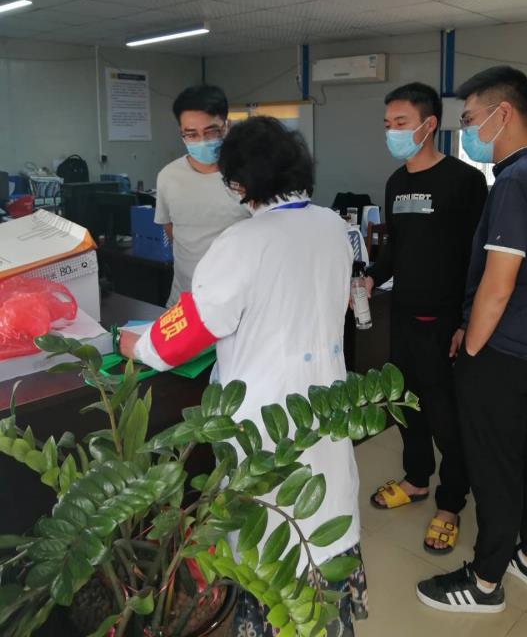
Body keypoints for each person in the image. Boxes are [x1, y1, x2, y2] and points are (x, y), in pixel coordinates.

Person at [120, 117, 369, 635]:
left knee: (273, 533)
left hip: (266, 421)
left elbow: (189, 331)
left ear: (238, 183)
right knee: (323, 517)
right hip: (325, 406)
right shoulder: (333, 226)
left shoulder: (243, 241)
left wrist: (137, 344)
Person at [417, 66, 527, 613]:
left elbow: (498, 284)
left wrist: (470, 350)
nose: (466, 132)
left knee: (494, 464)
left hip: (504, 350)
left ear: (502, 114)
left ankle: (485, 581)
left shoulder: (515, 182)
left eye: (469, 120)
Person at [366, 82, 488, 554]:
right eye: (387, 125)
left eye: (401, 123)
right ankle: (416, 479)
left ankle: (451, 502)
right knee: (406, 404)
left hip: (445, 323)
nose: (391, 132)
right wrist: (372, 277)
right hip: (403, 317)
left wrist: (466, 320)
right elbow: (395, 247)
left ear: (429, 124)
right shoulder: (396, 182)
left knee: (447, 418)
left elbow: (479, 258)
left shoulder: (464, 181)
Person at [155, 85, 249, 306]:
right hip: (185, 301)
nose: (202, 140)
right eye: (191, 134)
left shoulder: (249, 174)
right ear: (181, 133)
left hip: (238, 302)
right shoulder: (168, 176)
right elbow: (171, 229)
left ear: (226, 126)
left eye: (211, 131)